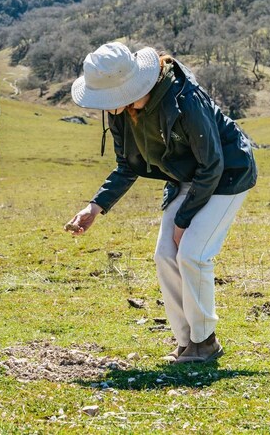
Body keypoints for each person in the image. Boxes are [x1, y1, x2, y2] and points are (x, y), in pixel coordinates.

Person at [65, 42, 256, 364]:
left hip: (226, 176)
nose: (105, 107)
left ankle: (205, 341)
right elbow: (128, 165)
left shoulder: (184, 100)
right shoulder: (121, 112)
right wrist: (94, 207)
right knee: (165, 255)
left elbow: (212, 164)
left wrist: (184, 222)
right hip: (185, 179)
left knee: (193, 253)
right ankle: (186, 343)